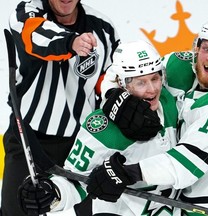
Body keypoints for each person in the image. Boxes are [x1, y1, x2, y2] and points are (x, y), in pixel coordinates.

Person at [86, 15, 208, 216]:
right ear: (197, 47)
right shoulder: (178, 64)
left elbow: (184, 165)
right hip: (182, 206)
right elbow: (121, 72)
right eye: (207, 48)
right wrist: (114, 96)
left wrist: (126, 173)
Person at [17, 40, 179, 216]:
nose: (152, 90)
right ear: (123, 84)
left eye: (155, 78)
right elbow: (76, 180)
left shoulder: (169, 101)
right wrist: (53, 192)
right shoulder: (102, 128)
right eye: (141, 83)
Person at [1, 0, 121, 215]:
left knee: (87, 211)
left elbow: (109, 80)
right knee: (15, 210)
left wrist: (119, 101)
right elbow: (36, 38)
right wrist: (71, 42)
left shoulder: (104, 28)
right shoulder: (26, 13)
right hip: (29, 138)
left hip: (80, 147)